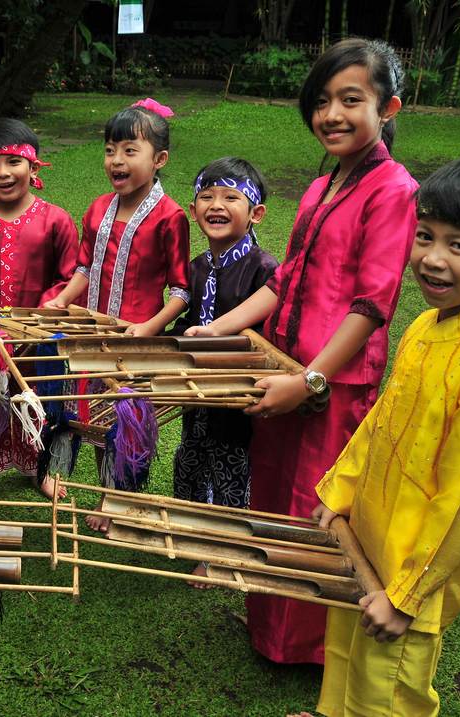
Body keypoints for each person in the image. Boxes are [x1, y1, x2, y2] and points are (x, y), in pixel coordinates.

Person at [290, 156, 460, 717]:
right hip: (364, 538)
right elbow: (381, 422)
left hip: (412, 577)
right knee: (345, 655)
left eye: (459, 246)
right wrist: (338, 492)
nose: (432, 259)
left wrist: (407, 598)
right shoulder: (423, 327)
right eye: (426, 237)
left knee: (387, 692)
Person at [185, 39, 418, 664]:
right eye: (321, 102)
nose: (333, 115)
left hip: (332, 384)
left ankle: (306, 648)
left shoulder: (394, 190)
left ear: (389, 107)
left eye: (351, 100)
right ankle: (269, 629)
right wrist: (222, 329)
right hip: (283, 369)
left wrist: (311, 381)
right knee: (270, 497)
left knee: (314, 510)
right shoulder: (319, 185)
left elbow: (372, 305)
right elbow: (285, 280)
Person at [45, 98, 191, 530]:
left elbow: (181, 289)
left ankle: (118, 500)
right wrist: (63, 301)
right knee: (92, 416)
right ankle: (104, 491)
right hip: (91, 336)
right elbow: (85, 268)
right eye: (110, 150)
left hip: (135, 343)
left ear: (159, 159)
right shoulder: (95, 209)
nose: (117, 160)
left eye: (130, 150)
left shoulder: (171, 216)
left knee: (125, 421)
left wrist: (148, 327)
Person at [0, 118, 79, 502]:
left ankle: (40, 471)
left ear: (34, 166)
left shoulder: (56, 220)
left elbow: (69, 274)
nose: (3, 173)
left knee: (38, 401)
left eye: (13, 162)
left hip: (39, 335)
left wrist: (39, 315)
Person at [168, 157, 278, 585]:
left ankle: (222, 549)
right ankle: (193, 531)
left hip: (238, 394)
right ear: (193, 210)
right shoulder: (198, 267)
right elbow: (189, 316)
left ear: (256, 213)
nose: (217, 204)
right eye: (207, 196)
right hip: (196, 392)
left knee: (229, 465)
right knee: (191, 457)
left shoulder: (263, 269)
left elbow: (266, 333)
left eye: (232, 197)